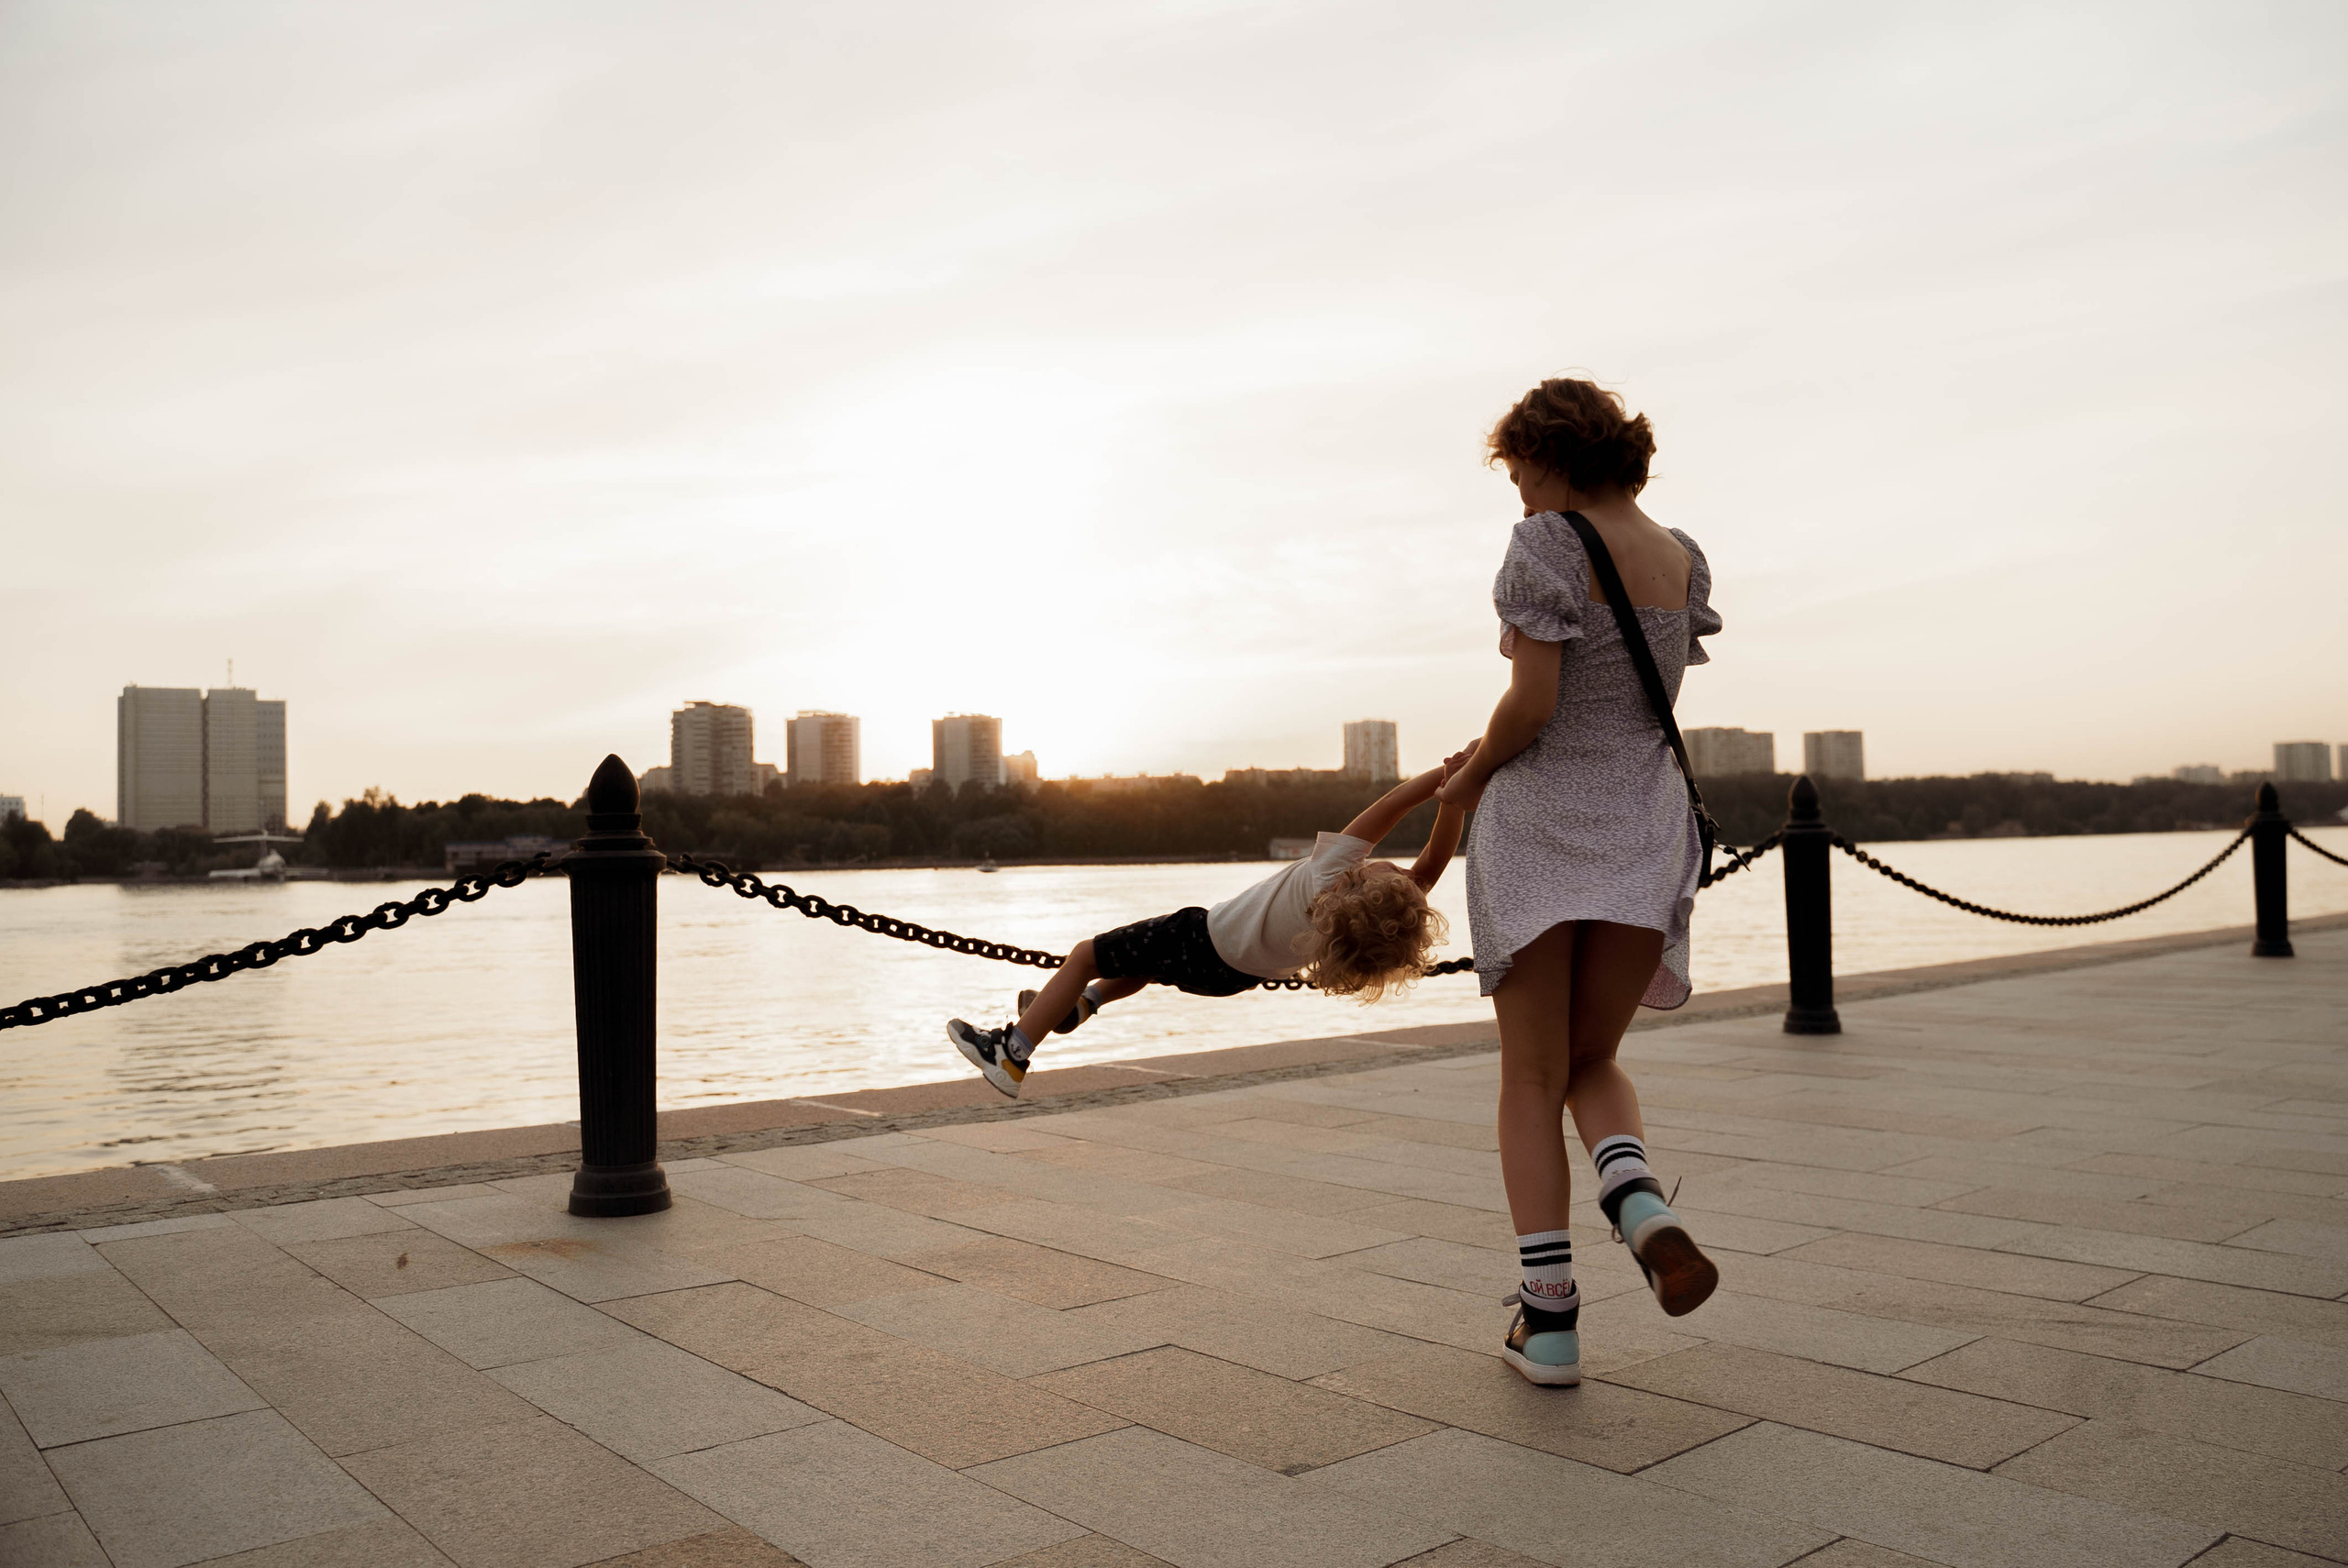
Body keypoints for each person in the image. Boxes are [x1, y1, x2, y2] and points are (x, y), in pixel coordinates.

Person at [1436, 376, 1722, 1388]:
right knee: (1592, 1060)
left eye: (1518, 475)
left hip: (1543, 823)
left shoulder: (1549, 545)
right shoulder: (1679, 556)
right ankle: (1640, 1204)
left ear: (1552, 455)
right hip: (1644, 827)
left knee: (1528, 1076)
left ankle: (1548, 1324)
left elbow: (1533, 705)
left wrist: (1465, 782)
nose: (1516, 498)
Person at [947, 754, 1473, 1098]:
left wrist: (1446, 776)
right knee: (1146, 965)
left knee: (1087, 954)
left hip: (1202, 936)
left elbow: (1394, 805)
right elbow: (1430, 864)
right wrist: (1456, 803)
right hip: (1231, 977)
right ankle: (1081, 1006)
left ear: (1352, 885)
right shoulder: (1366, 921)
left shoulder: (1329, 874)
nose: (1399, 869)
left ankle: (1012, 1052)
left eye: (1386, 869)